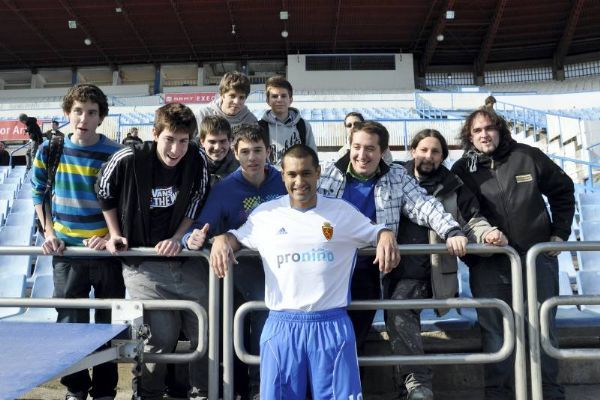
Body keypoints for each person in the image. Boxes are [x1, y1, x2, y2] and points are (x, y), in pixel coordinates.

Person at [209, 144, 401, 400]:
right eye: (292, 174)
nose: (299, 181)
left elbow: (374, 231)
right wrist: (222, 239)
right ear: (283, 174)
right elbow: (237, 237)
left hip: (331, 325)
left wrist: (385, 233)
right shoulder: (266, 215)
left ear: (318, 172)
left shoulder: (340, 212)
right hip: (282, 327)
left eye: (306, 173)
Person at [317, 121, 467, 378]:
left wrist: (451, 231)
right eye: (357, 147)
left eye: (370, 149)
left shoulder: (396, 177)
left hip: (366, 271)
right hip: (327, 271)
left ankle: (348, 389)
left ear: (383, 152)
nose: (362, 155)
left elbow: (424, 206)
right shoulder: (328, 174)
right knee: (324, 339)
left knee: (356, 339)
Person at [451, 108, 575, 400]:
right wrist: (476, 257)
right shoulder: (461, 169)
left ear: (500, 130)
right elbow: (462, 216)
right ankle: (498, 394)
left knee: (543, 327)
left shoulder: (527, 156)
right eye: (477, 130)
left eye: (490, 128)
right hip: (490, 265)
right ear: (469, 136)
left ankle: (550, 392)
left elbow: (563, 191)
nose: (484, 135)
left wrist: (559, 234)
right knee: (495, 331)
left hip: (536, 259)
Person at [96, 103, 210, 400]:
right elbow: (103, 189)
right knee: (158, 340)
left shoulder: (197, 159)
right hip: (142, 263)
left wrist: (177, 237)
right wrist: (114, 233)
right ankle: (148, 395)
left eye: (183, 141)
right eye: (169, 139)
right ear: (155, 134)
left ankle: (203, 394)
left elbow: (196, 200)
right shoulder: (129, 157)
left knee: (205, 334)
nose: (176, 149)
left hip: (185, 262)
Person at [385, 129, 495, 400]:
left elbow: (472, 221)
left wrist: (487, 234)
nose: (428, 156)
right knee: (391, 314)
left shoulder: (454, 185)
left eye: (435, 152)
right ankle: (406, 388)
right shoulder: (393, 176)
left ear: (443, 156)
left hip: (429, 273)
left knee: (399, 309)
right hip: (387, 270)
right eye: (423, 150)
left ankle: (419, 385)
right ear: (412, 151)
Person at [31, 83, 125, 400]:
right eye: (78, 111)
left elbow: (124, 202)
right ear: (67, 114)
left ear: (101, 118)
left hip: (104, 255)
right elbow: (39, 193)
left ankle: (104, 390)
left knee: (105, 323)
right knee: (70, 324)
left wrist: (107, 235)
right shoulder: (50, 149)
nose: (83, 118)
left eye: (91, 112)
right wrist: (49, 232)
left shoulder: (114, 153)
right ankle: (76, 388)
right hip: (67, 253)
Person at [184, 123, 286, 399]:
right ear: (236, 153)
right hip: (243, 272)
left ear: (269, 151)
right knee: (244, 326)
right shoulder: (225, 189)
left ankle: (263, 387)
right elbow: (200, 229)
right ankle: (249, 389)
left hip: (285, 269)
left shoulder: (284, 181)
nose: (252, 157)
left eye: (258, 151)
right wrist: (193, 240)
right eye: (245, 152)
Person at [259, 75, 317, 165]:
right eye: (274, 96)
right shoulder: (260, 127)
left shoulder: (303, 126)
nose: (279, 100)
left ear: (290, 100)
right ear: (268, 101)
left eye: (283, 96)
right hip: (270, 177)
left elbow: (313, 156)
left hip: (296, 176)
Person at [199, 115, 239, 185]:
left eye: (222, 141)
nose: (217, 147)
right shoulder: (191, 161)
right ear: (202, 142)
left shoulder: (239, 162)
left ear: (230, 141)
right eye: (212, 142)